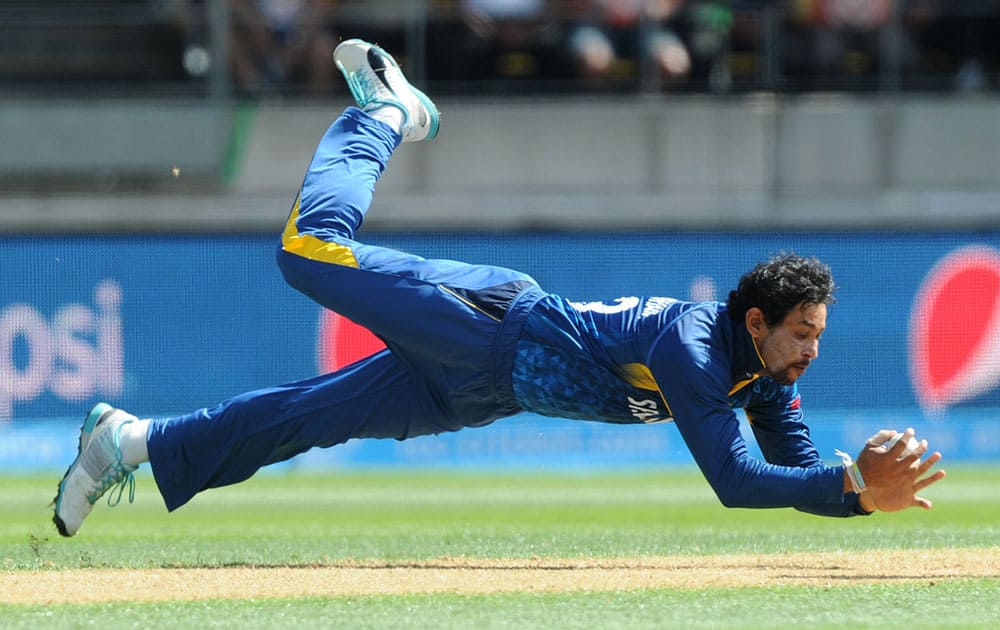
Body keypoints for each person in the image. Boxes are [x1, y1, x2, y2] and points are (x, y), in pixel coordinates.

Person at [53, 38, 945, 538]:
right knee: (307, 251)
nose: (812, 352)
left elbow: (790, 465)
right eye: (803, 334)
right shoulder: (693, 345)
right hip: (484, 321)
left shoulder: (762, 374)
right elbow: (738, 480)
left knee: (299, 421)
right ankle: (386, 115)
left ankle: (131, 443)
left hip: (481, 391)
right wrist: (849, 483)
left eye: (818, 336)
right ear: (757, 321)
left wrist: (859, 492)